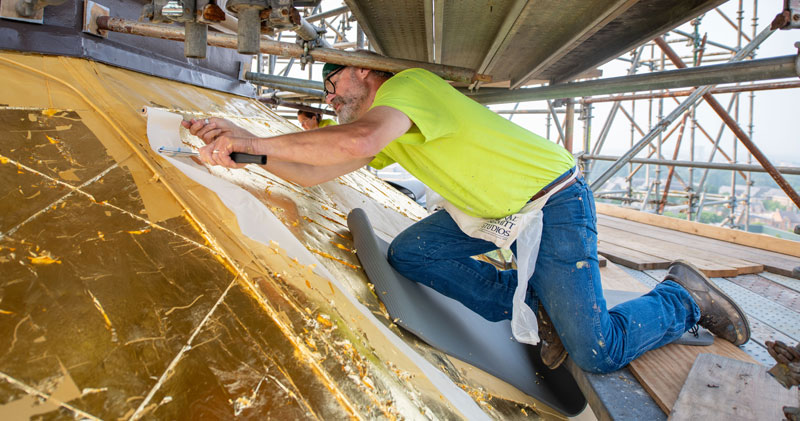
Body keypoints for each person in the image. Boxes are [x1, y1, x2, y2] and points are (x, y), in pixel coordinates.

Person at [183, 61, 750, 373]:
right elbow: (317, 171)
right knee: (411, 254)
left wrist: (256, 136)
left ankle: (683, 299)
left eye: (333, 85)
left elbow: (356, 139)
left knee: (597, 350)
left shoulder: (408, 87)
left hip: (551, 202)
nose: (330, 98)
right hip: (494, 214)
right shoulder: (392, 119)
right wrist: (248, 155)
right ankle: (539, 309)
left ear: (362, 71)